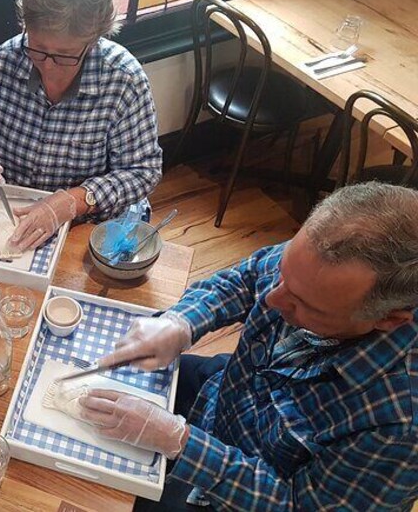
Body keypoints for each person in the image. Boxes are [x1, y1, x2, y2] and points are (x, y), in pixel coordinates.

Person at [80, 181, 418, 510]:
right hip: (224, 396)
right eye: (284, 273)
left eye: (305, 306)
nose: (272, 298)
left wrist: (180, 443)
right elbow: (249, 278)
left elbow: (298, 504)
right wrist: (180, 322)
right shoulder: (319, 261)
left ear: (388, 320)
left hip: (241, 493)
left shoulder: (399, 426)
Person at [0, 0, 162, 252]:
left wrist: (72, 201)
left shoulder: (124, 80)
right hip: (13, 212)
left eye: (65, 55)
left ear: (94, 39)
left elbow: (142, 171)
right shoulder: (6, 61)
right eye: (38, 48)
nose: (48, 65)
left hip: (85, 225)